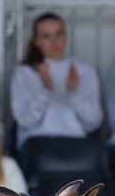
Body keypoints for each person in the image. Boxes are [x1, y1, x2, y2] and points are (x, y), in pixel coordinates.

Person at [10, 12, 103, 150]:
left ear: (66, 37)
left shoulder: (85, 72)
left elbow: (93, 123)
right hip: (37, 146)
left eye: (59, 34)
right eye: (46, 36)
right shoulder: (24, 73)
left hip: (76, 145)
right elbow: (25, 121)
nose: (55, 42)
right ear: (36, 42)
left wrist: (74, 92)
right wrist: (45, 90)